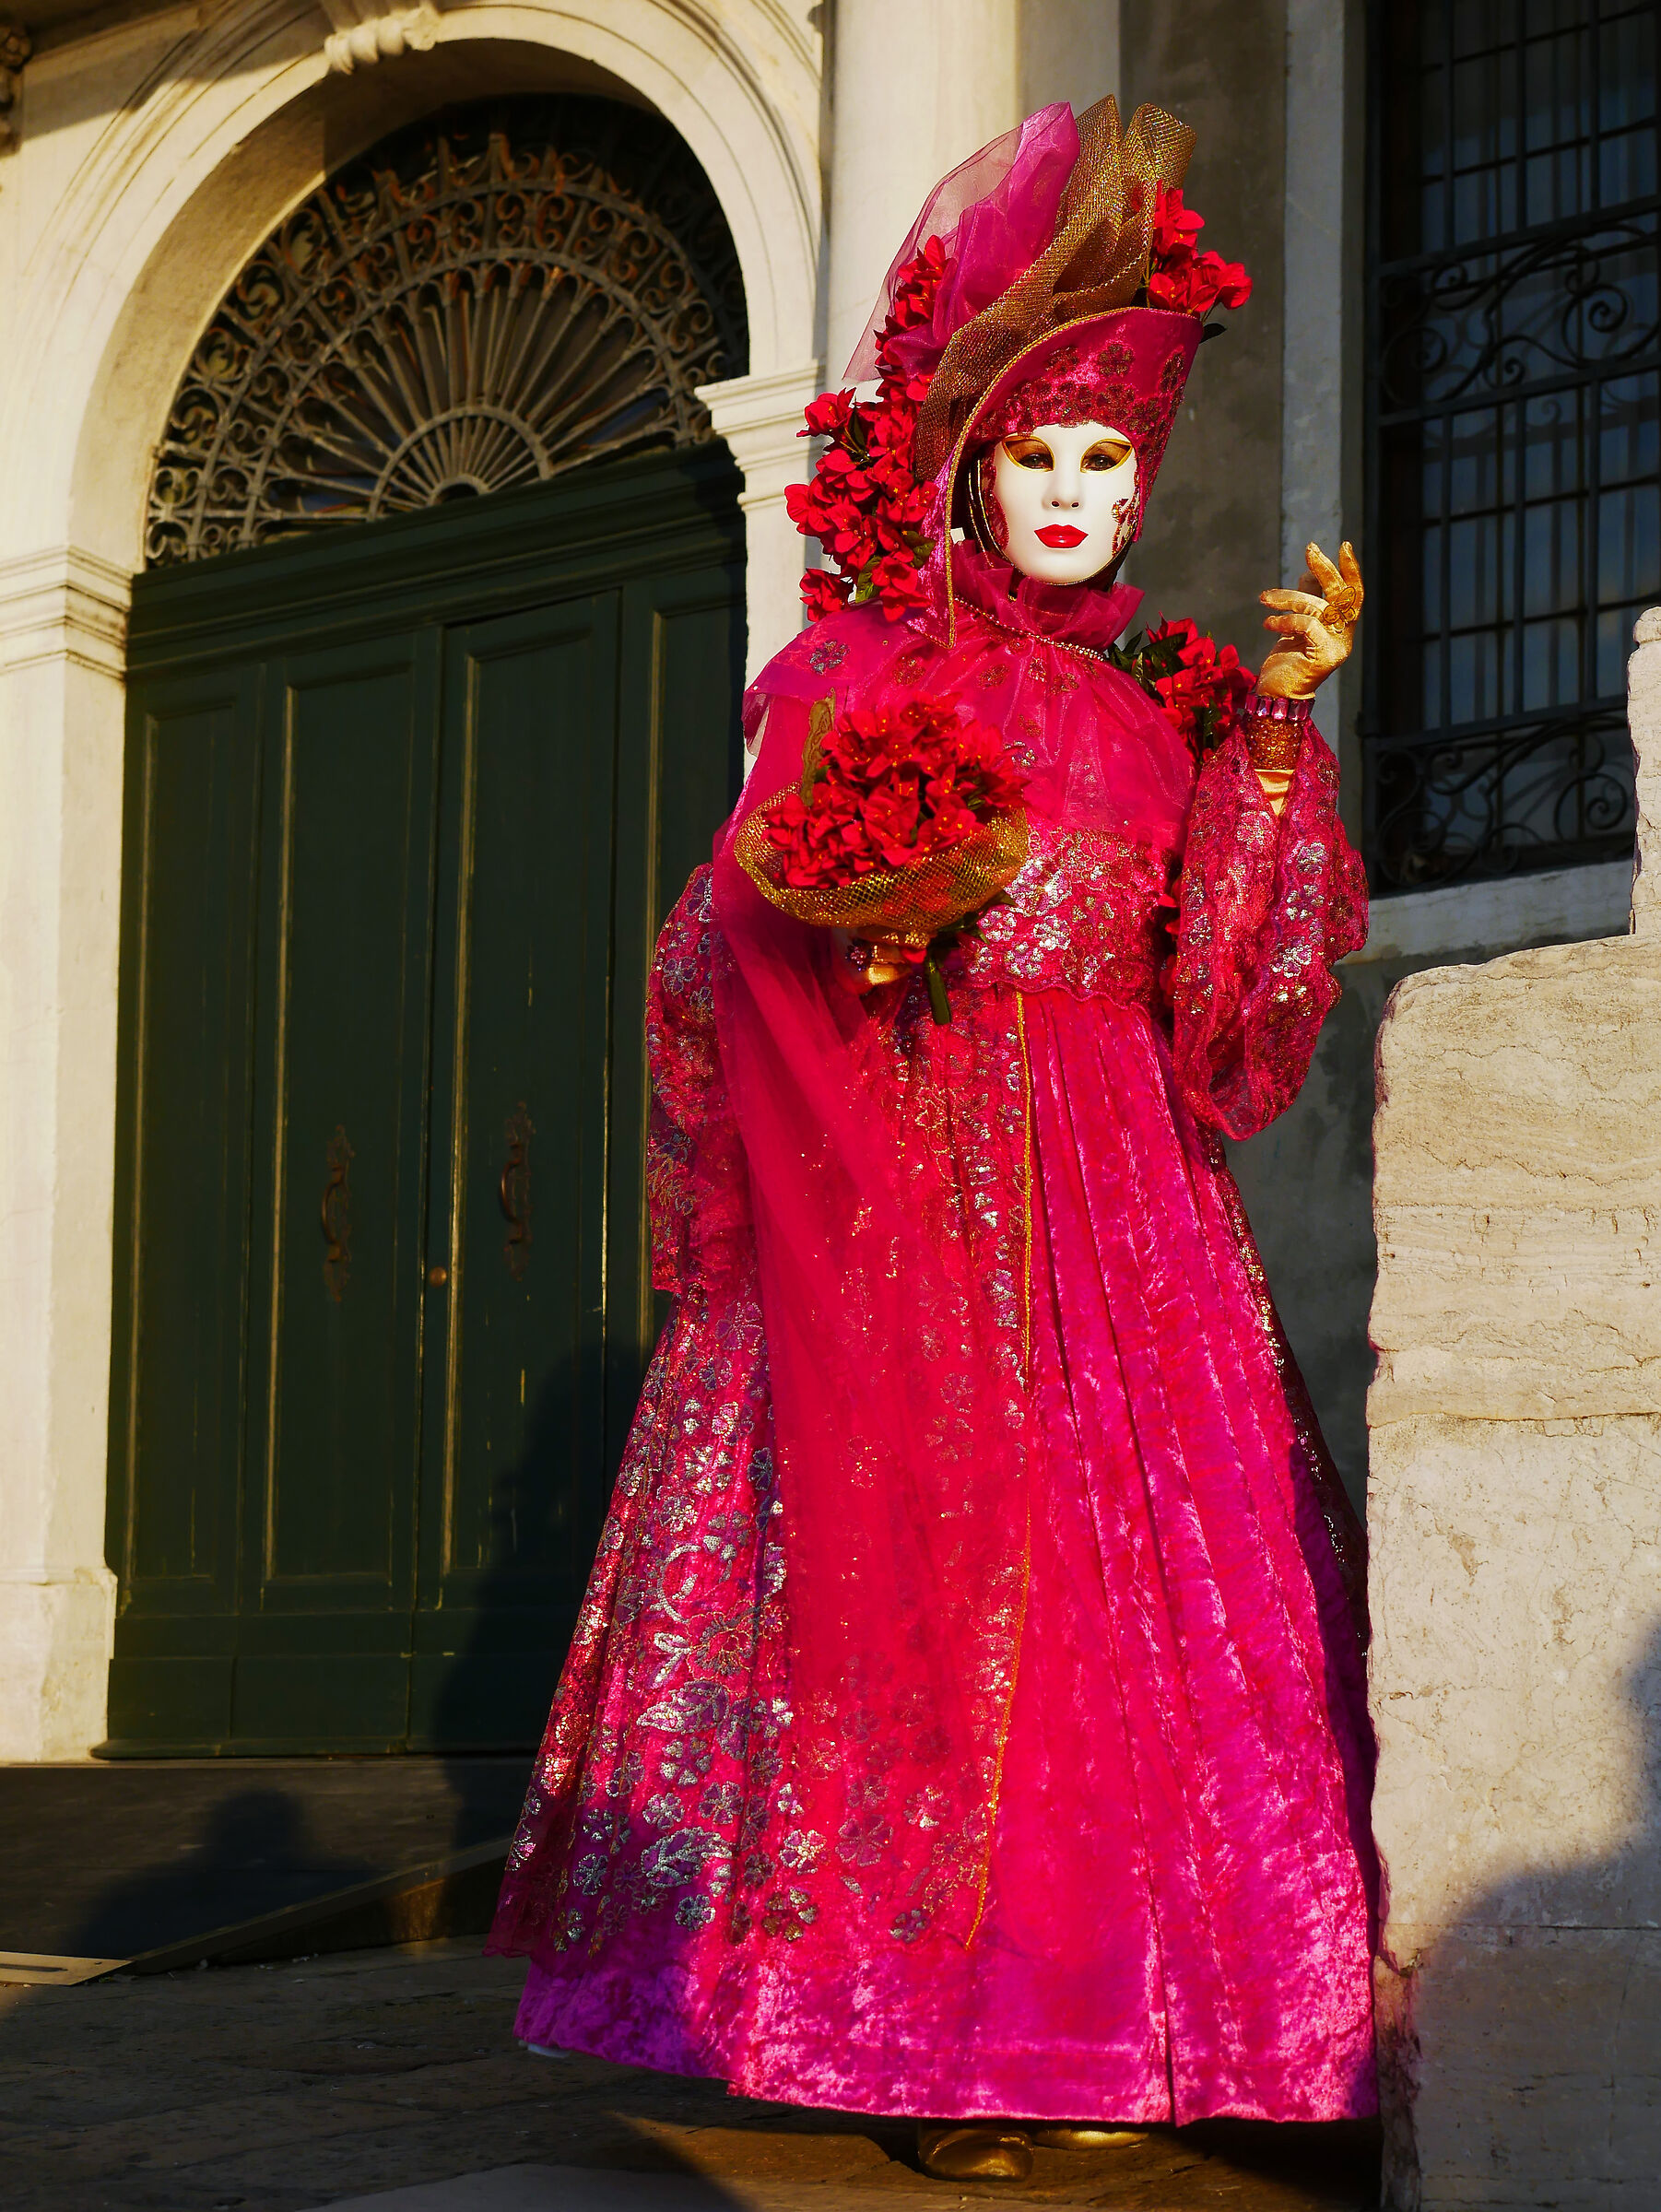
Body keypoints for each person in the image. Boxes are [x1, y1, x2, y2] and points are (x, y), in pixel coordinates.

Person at [488, 98, 1377, 2184]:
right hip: (911, 1187)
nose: (1073, 496)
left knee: (1126, 1622)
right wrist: (870, 945)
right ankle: (928, 2036)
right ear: (974, 472)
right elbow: (734, 934)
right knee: (941, 1612)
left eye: (1106, 468)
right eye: (1038, 459)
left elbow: (1225, 1008)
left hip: (1128, 1219)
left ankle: (1134, 2024)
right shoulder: (859, 670)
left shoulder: (1158, 712)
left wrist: (1275, 734)